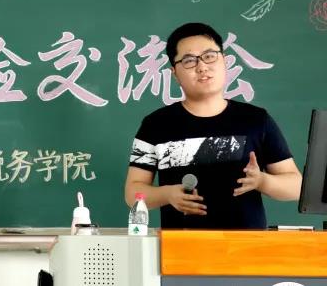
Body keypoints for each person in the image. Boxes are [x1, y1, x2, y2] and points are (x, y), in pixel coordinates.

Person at [124, 22, 302, 229]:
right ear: (175, 73)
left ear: (224, 61)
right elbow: (132, 192)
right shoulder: (155, 124)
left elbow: (296, 186)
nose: (202, 67)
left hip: (247, 244)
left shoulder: (256, 119)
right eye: (189, 61)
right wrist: (167, 194)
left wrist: (262, 181)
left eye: (209, 56)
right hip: (181, 244)